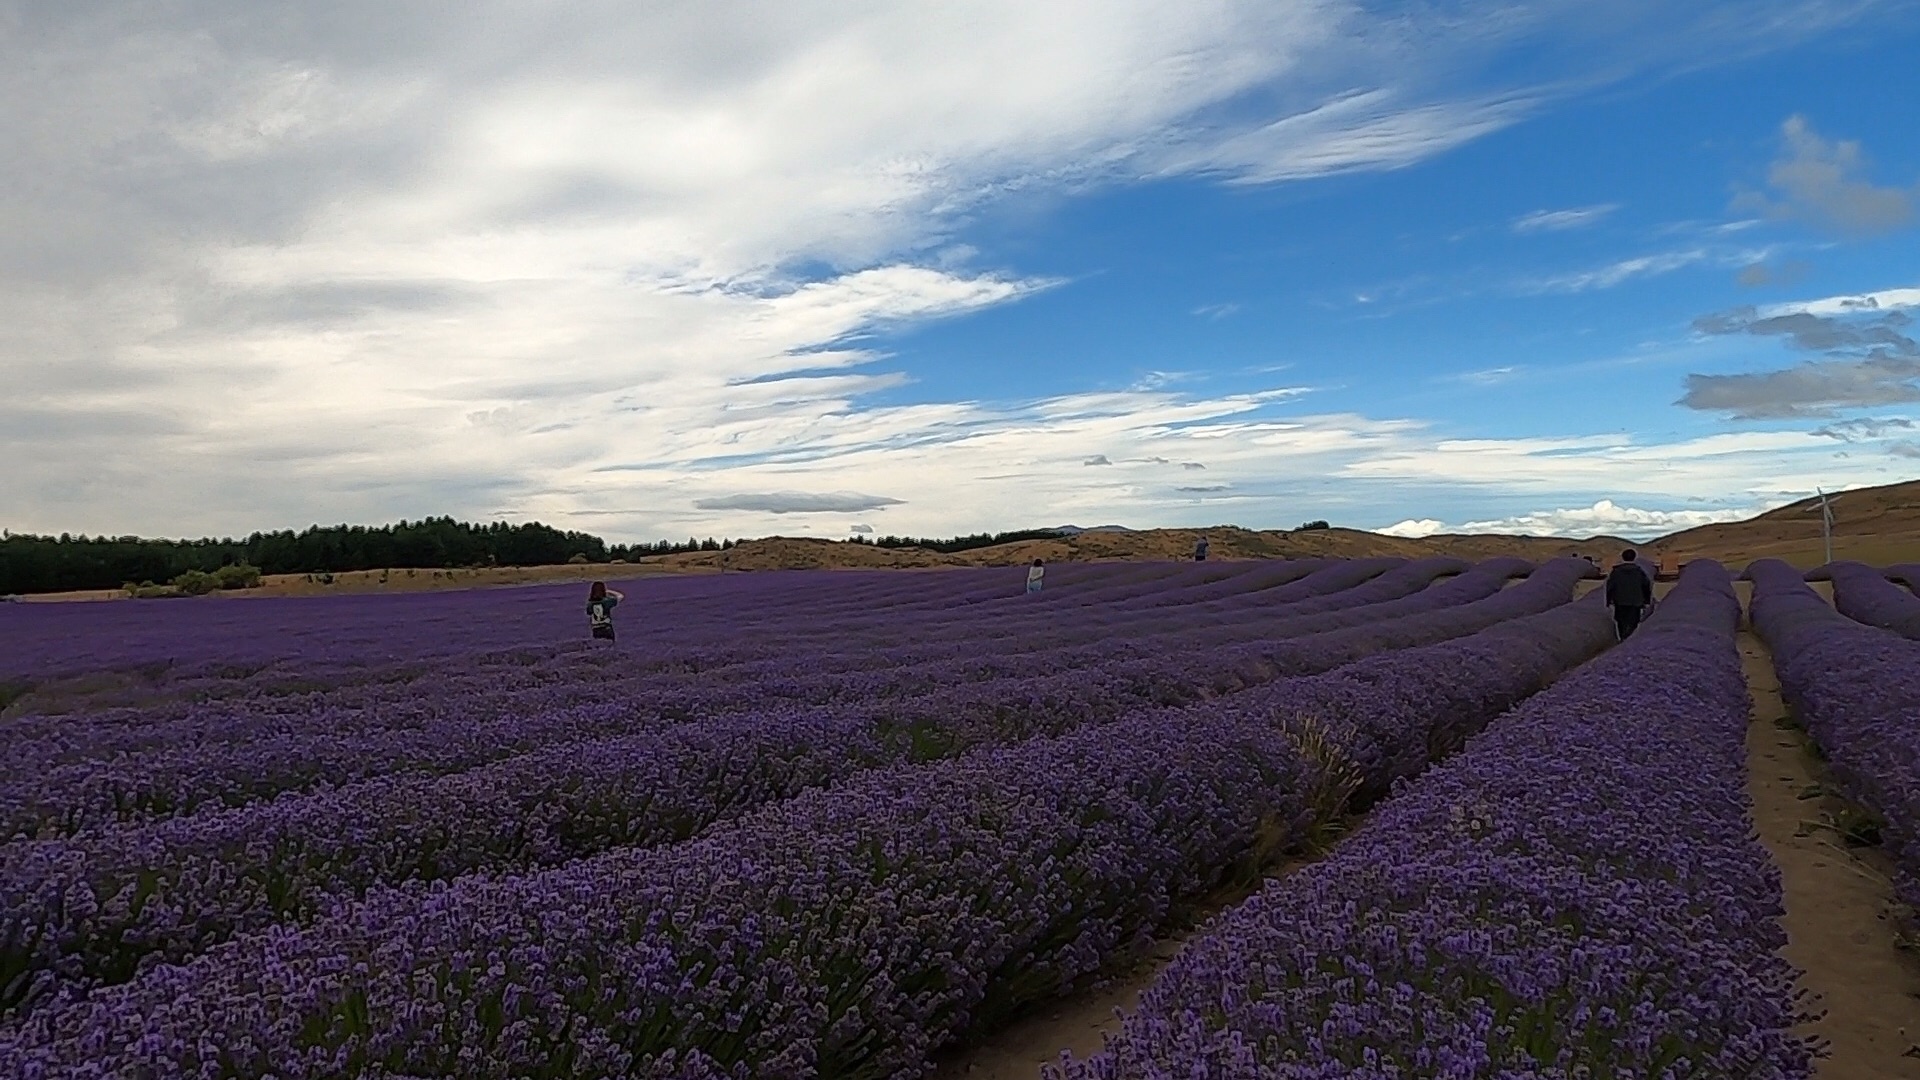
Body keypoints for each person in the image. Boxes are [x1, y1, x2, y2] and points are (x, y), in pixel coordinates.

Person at [1604, 549, 1653, 640]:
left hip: (1620, 601)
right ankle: (1629, 639)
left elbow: (1610, 586)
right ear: (1634, 557)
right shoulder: (1639, 572)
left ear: (1622, 557)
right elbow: (1646, 585)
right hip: (1636, 601)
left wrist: (1608, 600)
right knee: (1633, 622)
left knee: (1621, 621)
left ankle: (1623, 638)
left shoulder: (1616, 572)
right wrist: (1647, 600)